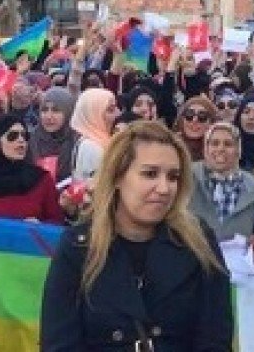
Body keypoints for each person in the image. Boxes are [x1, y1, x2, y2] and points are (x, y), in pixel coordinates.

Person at [40, 120, 233, 351]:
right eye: (150, 174)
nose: (164, 188)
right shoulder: (78, 247)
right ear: (118, 177)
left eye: (173, 177)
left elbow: (215, 339)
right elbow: (59, 343)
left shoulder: (199, 242)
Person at [189, 122, 254, 251]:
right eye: (214, 143)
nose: (221, 149)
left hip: (237, 266)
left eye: (228, 144)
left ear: (238, 151)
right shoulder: (188, 178)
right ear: (205, 149)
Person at [0, 114, 63, 223]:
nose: (21, 140)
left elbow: (57, 221)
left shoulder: (41, 179)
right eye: (12, 136)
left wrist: (40, 226)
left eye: (24, 136)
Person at [28, 87, 78, 184]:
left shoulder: (76, 142)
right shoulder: (31, 140)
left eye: (55, 110)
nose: (49, 116)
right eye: (44, 110)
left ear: (68, 112)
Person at [69, 88, 119, 182]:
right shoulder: (91, 147)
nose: (117, 114)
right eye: (110, 110)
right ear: (93, 114)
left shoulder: (96, 141)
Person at [173, 96, 217, 162]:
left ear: (211, 122)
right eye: (189, 114)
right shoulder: (170, 145)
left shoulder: (219, 149)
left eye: (202, 116)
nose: (194, 120)